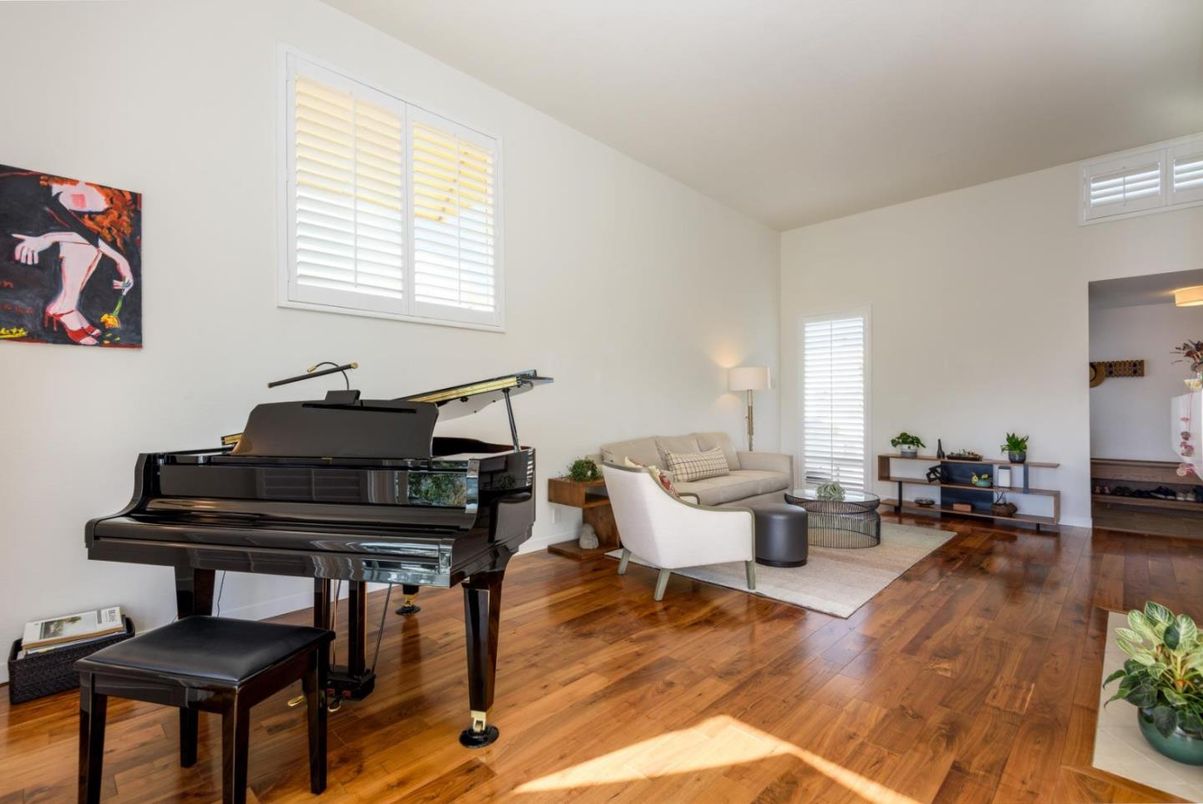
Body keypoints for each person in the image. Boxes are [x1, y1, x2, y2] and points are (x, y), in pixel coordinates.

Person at [5, 172, 135, 345]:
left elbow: (88, 234)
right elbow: (85, 233)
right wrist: (121, 261)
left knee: (89, 246)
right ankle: (65, 308)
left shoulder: (107, 197)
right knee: (85, 247)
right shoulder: (71, 189)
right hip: (13, 226)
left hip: (38, 232)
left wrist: (122, 261)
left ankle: (66, 305)